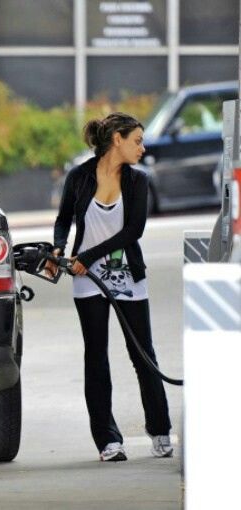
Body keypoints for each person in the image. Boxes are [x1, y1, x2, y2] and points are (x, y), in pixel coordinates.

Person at [46, 112, 173, 462]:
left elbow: (133, 231)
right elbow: (63, 220)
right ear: (117, 139)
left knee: (143, 355)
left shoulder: (138, 180)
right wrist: (59, 247)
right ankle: (108, 441)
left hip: (127, 277)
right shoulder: (79, 176)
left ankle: (160, 430)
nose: (142, 148)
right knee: (96, 358)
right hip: (87, 282)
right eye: (137, 141)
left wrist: (89, 254)